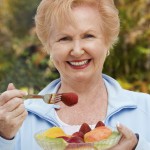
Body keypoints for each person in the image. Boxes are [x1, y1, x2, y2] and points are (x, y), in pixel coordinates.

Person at [0, 0, 150, 149]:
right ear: (49, 47)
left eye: (88, 36)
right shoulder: (17, 120)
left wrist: (138, 146)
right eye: (64, 38)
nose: (77, 51)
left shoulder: (146, 108)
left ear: (107, 42)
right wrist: (4, 138)